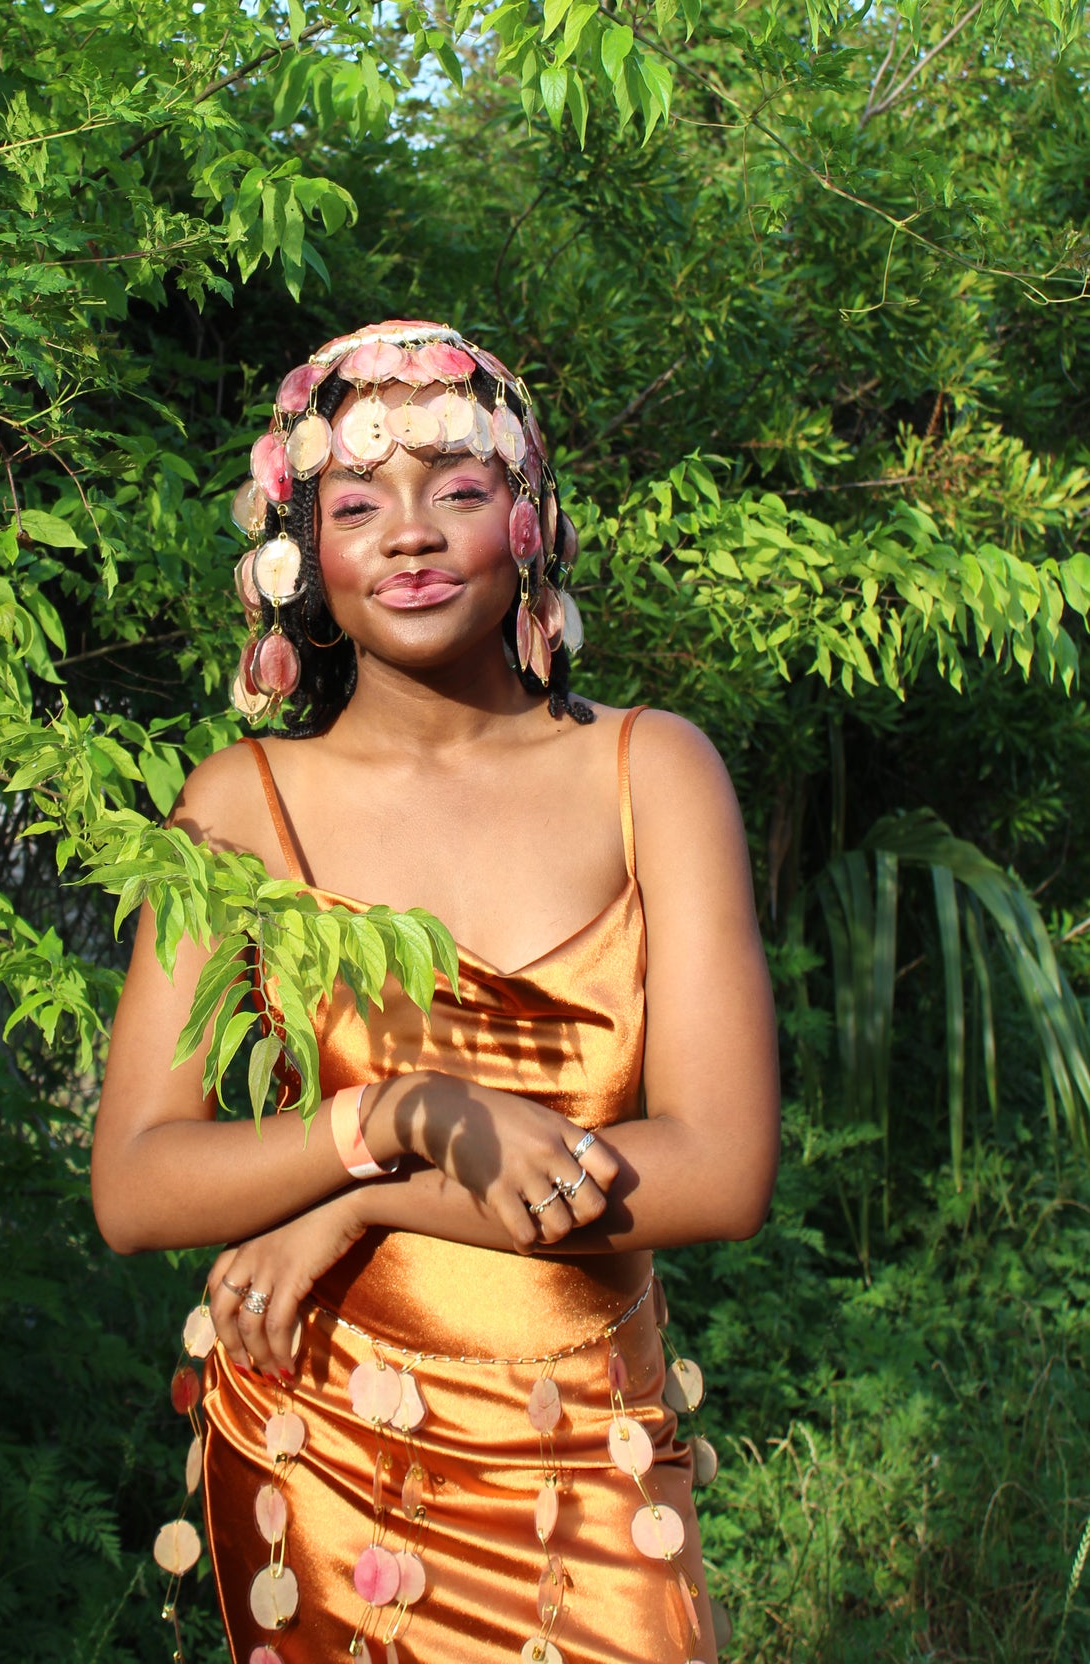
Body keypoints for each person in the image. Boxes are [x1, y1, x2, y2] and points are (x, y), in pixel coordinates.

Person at [92, 319, 779, 1664]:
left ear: (531, 525)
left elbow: (718, 1172)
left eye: (456, 492)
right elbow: (136, 1185)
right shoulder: (239, 805)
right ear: (299, 553)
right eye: (357, 506)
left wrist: (358, 1201)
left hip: (585, 1463)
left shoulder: (653, 773)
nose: (408, 536)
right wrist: (397, 1113)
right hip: (324, 1456)